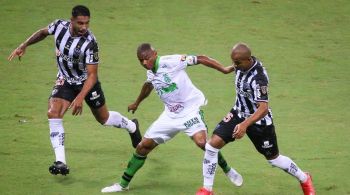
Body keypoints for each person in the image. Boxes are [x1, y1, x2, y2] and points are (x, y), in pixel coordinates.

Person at [8, 5, 142, 176]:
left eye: (87, 23)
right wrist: (24, 44)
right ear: (71, 20)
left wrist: (79, 97)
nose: (84, 27)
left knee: (104, 119)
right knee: (53, 113)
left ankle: (131, 126)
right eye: (80, 23)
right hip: (65, 80)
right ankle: (60, 161)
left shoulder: (90, 43)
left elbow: (92, 75)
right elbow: (42, 32)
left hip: (87, 83)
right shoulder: (59, 26)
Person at [101, 43, 243, 192]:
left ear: (155, 54)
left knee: (203, 143)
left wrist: (225, 69)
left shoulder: (171, 61)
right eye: (140, 60)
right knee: (143, 146)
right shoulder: (151, 71)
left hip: (190, 111)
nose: (144, 63)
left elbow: (200, 58)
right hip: (170, 116)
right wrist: (137, 102)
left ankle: (227, 169)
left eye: (146, 59)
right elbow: (148, 85)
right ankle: (123, 184)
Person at [196, 43, 316, 195]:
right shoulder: (241, 65)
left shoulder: (259, 78)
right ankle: (207, 190)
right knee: (212, 146)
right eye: (233, 62)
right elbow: (228, 69)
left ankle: (305, 178)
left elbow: (263, 108)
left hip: (259, 121)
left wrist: (244, 125)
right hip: (238, 112)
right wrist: (217, 66)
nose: (235, 66)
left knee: (274, 159)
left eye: (237, 63)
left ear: (247, 60)